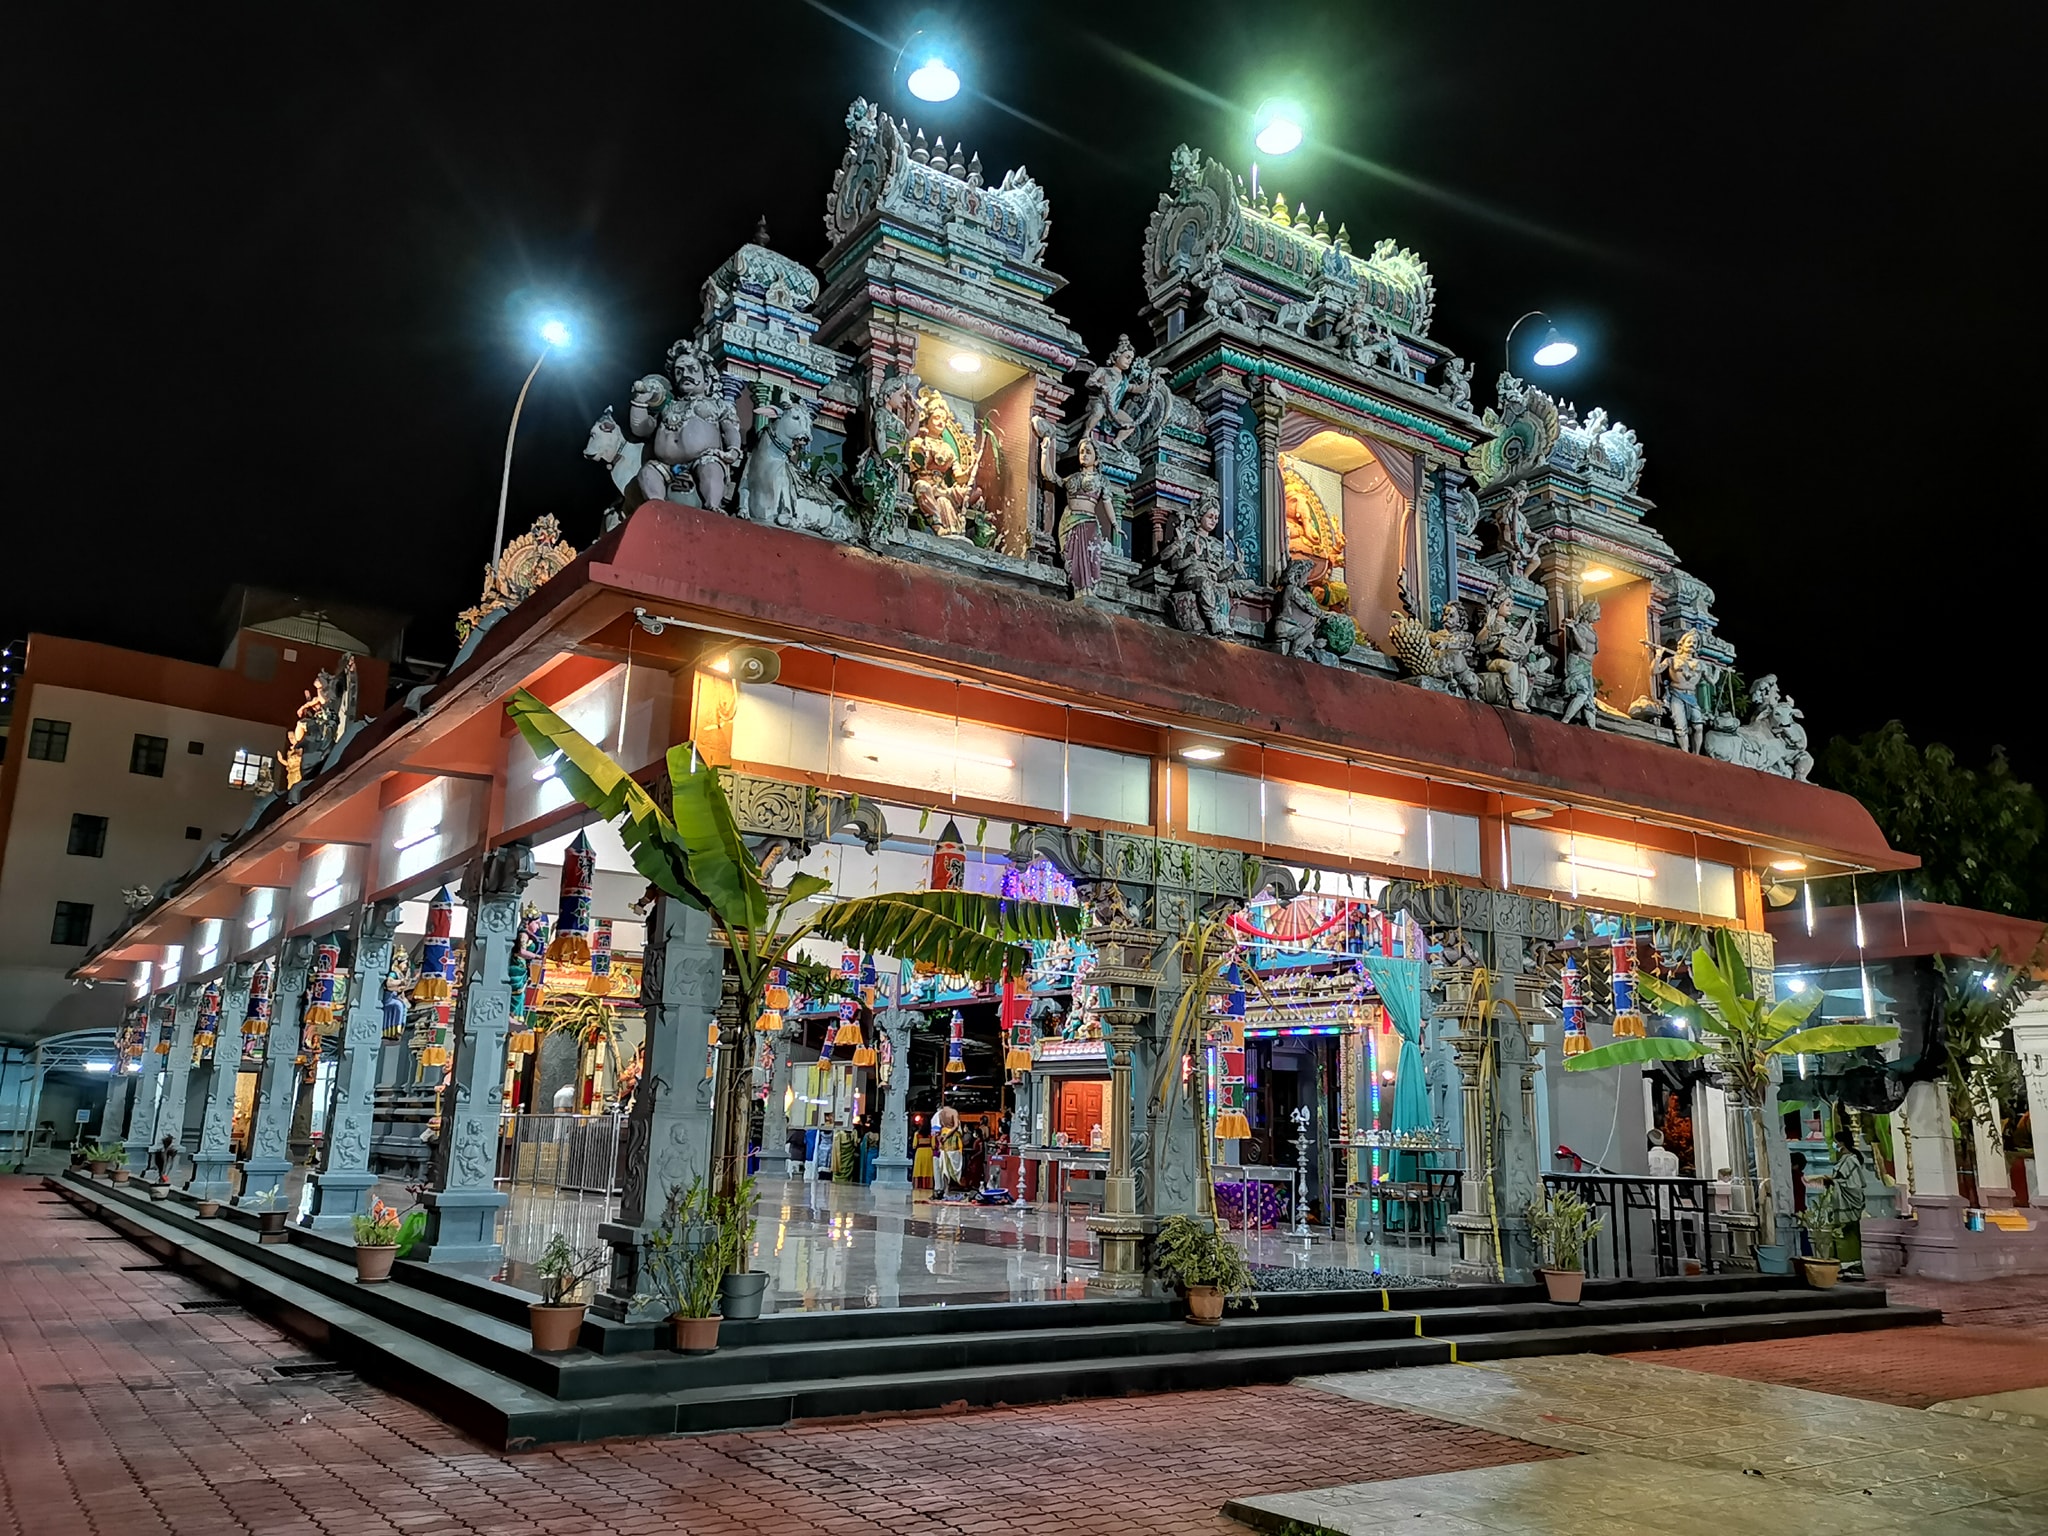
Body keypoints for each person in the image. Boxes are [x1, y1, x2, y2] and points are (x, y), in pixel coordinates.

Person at [933, 1106, 966, 1201]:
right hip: (952, 1139)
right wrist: (947, 1136)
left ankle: (946, 1189)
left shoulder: (940, 1114)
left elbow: (937, 1130)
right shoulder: (954, 1112)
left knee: (945, 1167)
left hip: (943, 1140)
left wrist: (940, 1140)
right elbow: (956, 1126)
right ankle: (949, 1188)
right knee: (952, 1165)